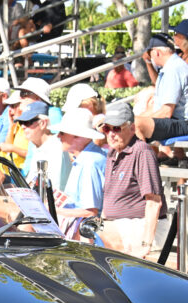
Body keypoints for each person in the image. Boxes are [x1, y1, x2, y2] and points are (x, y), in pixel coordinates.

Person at [97, 102, 168, 259]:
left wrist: (146, 245)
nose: (111, 134)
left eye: (116, 128)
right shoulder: (112, 153)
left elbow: (154, 203)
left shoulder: (142, 152)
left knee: (100, 232)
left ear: (132, 128)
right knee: (85, 228)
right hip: (121, 224)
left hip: (143, 227)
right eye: (106, 129)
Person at [134, 34, 188, 143]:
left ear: (156, 52)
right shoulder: (173, 66)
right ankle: (170, 157)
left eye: (150, 53)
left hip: (185, 124)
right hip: (181, 122)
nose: (150, 57)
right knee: (129, 123)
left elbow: (166, 112)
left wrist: (141, 121)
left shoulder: (173, 69)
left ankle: (143, 159)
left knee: (135, 126)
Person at [49, 109, 107, 238]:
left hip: (86, 228)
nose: (58, 136)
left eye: (62, 133)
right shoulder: (86, 158)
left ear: (78, 136)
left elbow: (90, 212)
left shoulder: (89, 162)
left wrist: (52, 211)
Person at [19, 101, 72, 193]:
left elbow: (54, 189)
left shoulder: (55, 148)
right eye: (21, 122)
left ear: (43, 123)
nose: (23, 126)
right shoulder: (39, 147)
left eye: (28, 122)